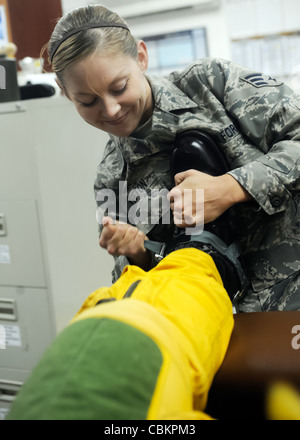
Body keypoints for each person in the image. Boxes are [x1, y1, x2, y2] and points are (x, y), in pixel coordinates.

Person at [46, 4, 300, 313]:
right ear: (65, 92)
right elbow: (154, 287)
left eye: (119, 87)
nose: (110, 110)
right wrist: (140, 253)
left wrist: (231, 188)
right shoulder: (113, 177)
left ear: (141, 56)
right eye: (88, 102)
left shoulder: (210, 86)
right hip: (214, 330)